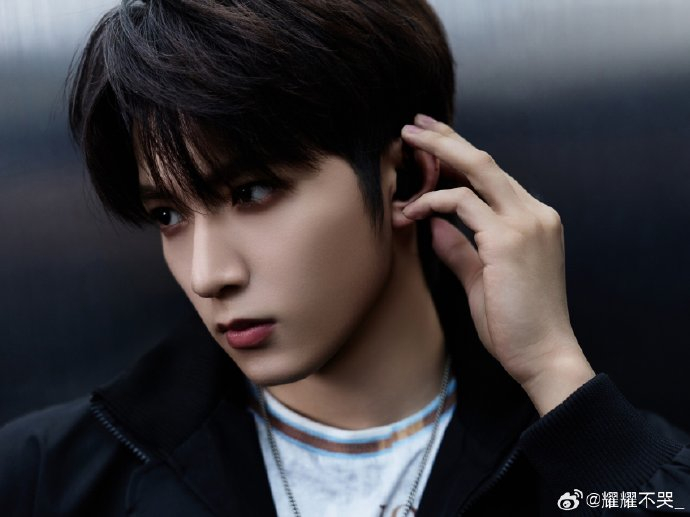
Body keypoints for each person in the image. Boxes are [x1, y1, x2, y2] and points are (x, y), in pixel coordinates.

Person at [1, 0, 689, 515]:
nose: (208, 274)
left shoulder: (601, 463)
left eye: (253, 191)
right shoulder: (47, 478)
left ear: (408, 175)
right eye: (168, 215)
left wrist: (554, 370)